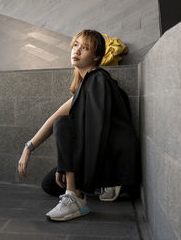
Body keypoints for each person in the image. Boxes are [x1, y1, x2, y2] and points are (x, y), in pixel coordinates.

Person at [18, 29, 139, 222]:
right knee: (49, 184)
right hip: (94, 151)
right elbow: (53, 116)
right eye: (76, 45)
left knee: (63, 123)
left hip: (109, 154)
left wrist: (69, 163)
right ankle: (97, 185)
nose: (77, 50)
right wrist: (29, 147)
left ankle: (76, 198)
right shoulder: (84, 86)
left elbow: (94, 130)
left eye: (85, 48)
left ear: (96, 56)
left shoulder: (98, 79)